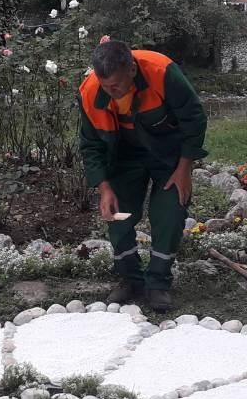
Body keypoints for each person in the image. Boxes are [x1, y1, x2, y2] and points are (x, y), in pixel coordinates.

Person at [78, 40, 207, 313]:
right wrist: (104, 187)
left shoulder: (162, 71)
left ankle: (158, 282)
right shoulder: (90, 92)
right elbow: (90, 145)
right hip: (123, 156)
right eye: (105, 87)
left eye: (116, 86)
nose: (111, 93)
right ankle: (130, 278)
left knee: (171, 211)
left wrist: (185, 169)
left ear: (132, 70)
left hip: (168, 155)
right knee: (118, 215)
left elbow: (194, 118)